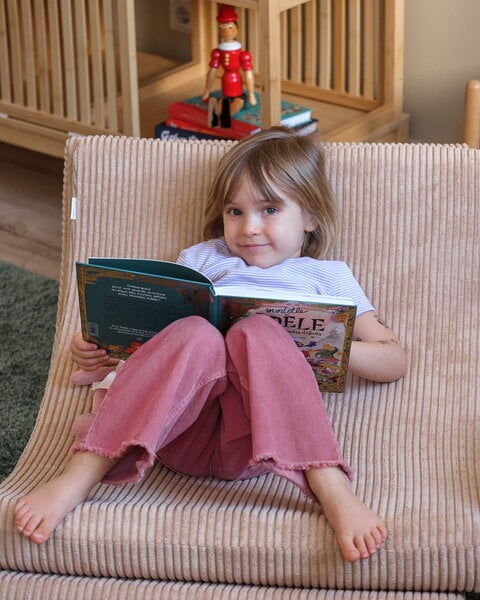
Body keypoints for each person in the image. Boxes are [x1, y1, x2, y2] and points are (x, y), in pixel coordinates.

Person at [14, 128, 407, 563]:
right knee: (194, 332)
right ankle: (83, 471)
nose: (248, 227)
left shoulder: (327, 277)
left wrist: (326, 343)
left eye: (270, 209)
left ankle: (329, 482)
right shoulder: (202, 260)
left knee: (259, 332)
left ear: (310, 216)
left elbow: (394, 359)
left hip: (258, 438)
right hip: (177, 430)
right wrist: (95, 344)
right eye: (234, 211)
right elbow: (151, 343)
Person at [202, 4, 257, 128]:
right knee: (223, 101)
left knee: (237, 103)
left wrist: (252, 93)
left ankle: (224, 117)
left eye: (230, 27)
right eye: (221, 28)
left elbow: (248, 73)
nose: (225, 31)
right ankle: (216, 116)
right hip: (225, 85)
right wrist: (207, 90)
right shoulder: (218, 52)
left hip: (237, 87)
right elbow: (212, 71)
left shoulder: (242, 54)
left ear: (236, 29)